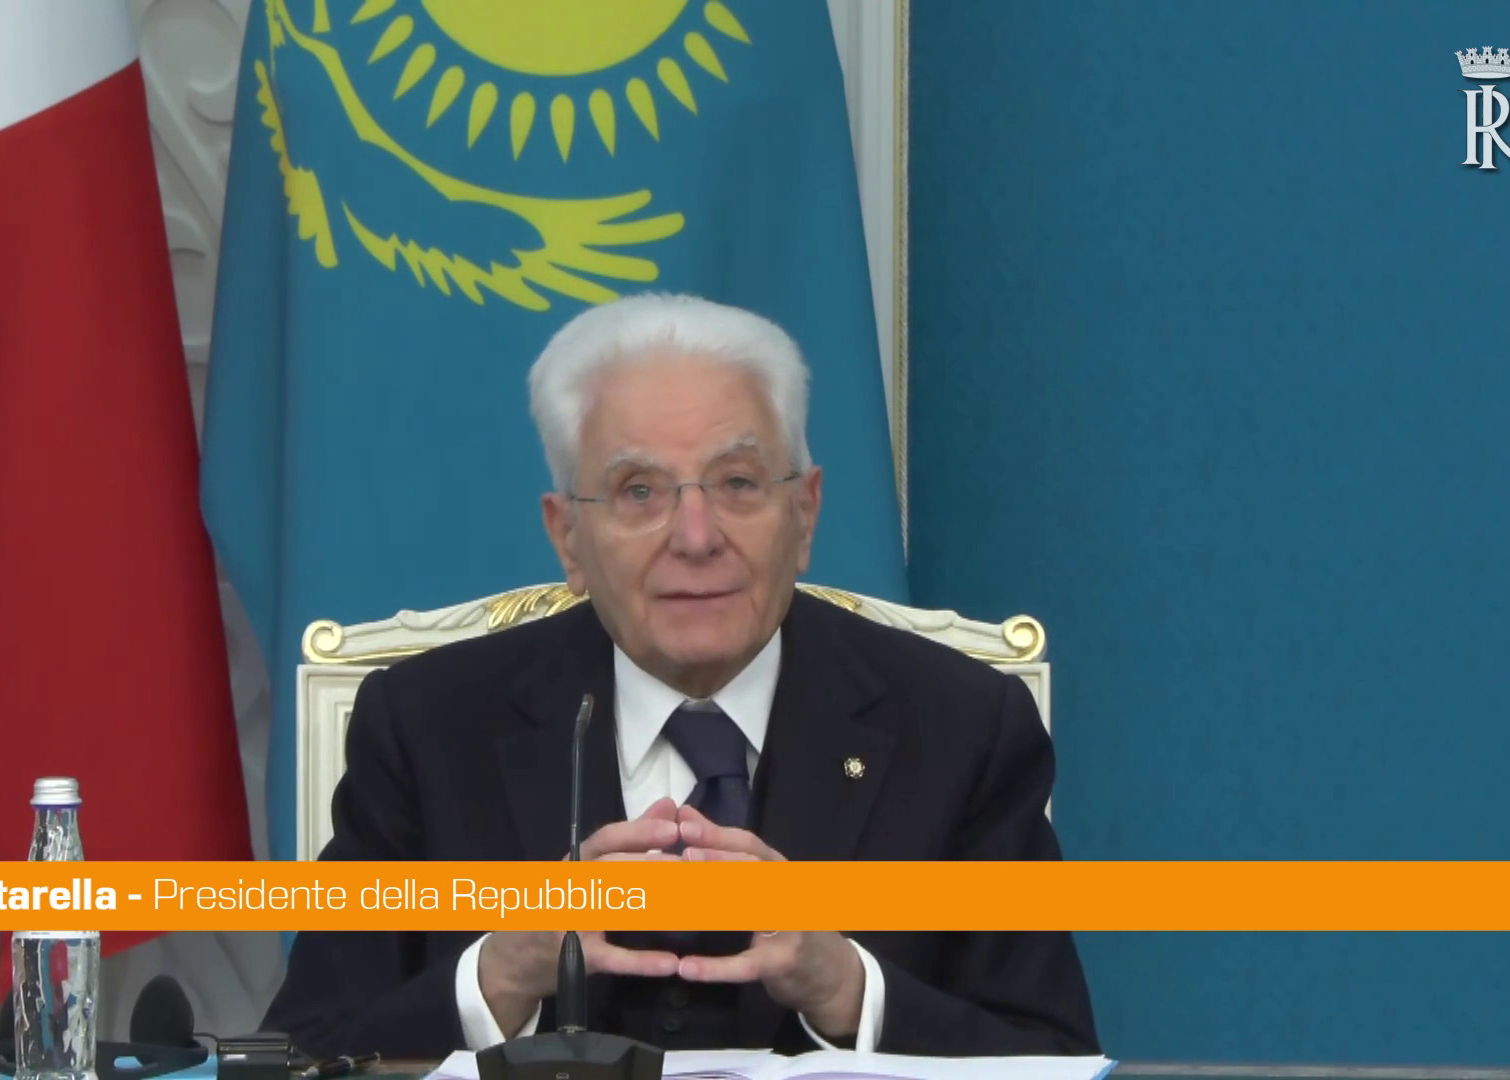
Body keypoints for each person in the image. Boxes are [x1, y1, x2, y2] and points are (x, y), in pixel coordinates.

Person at [263, 293, 1098, 1058]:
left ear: (805, 514)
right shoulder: (430, 726)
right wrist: (501, 972)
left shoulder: (959, 726)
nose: (696, 537)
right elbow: (303, 1051)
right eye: (638, 492)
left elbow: (1053, 1057)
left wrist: (851, 992)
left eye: (737, 483)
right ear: (567, 538)